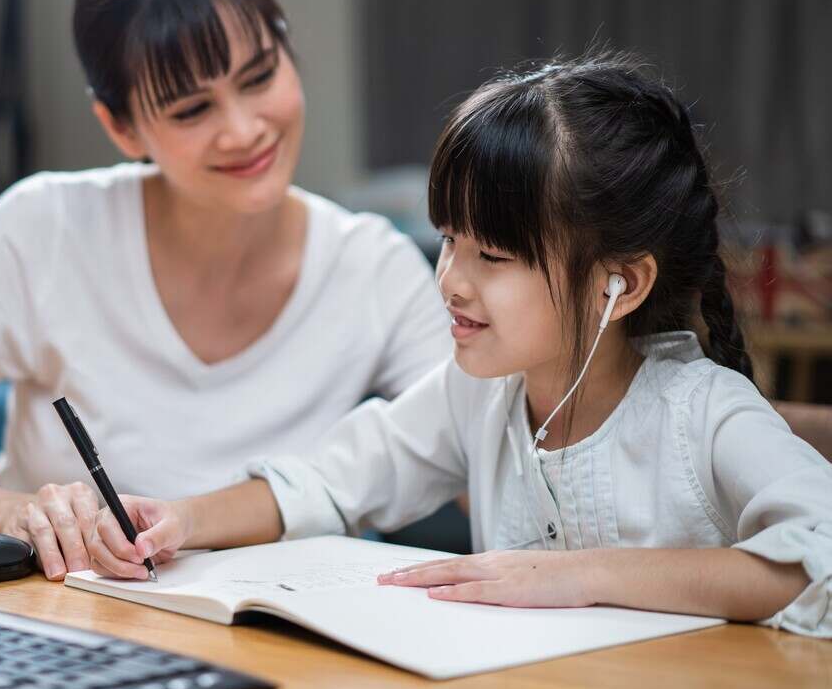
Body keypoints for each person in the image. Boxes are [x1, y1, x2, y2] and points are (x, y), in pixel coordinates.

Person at [86, 54, 832, 637]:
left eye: (492, 257)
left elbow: (817, 560)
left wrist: (584, 575)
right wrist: (180, 521)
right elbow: (330, 480)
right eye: (448, 241)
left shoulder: (703, 411)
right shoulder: (476, 392)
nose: (450, 280)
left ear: (619, 283)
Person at [0, 0, 444, 580]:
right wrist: (12, 513)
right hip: (63, 635)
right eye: (192, 110)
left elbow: (484, 451)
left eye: (258, 77)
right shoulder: (42, 228)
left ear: (286, 47)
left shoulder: (376, 269)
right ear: (121, 126)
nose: (245, 129)